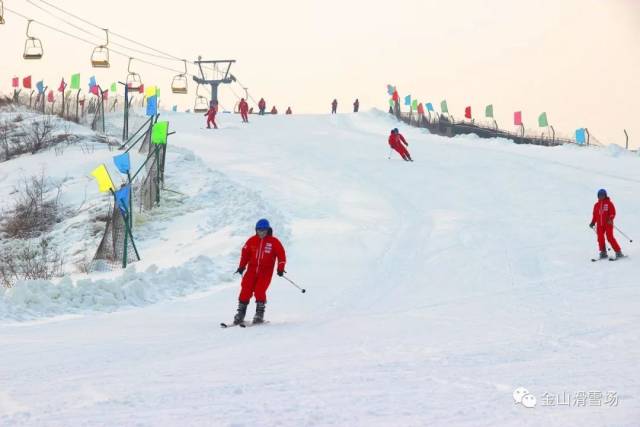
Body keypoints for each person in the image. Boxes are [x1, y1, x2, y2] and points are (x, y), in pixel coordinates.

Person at [233, 219, 287, 324]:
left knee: (259, 290)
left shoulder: (274, 242)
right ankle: (240, 313)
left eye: (264, 230)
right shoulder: (251, 240)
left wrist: (280, 268)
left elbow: (281, 255)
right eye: (259, 230)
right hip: (251, 270)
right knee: (245, 289)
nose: (261, 232)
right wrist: (241, 267)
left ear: (268, 230)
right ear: (256, 230)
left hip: (265, 272)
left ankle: (259, 314)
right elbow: (245, 255)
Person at [590, 189, 623, 259]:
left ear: (605, 195)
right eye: (600, 195)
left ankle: (618, 252)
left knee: (609, 237)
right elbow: (595, 215)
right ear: (598, 196)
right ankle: (603, 252)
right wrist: (593, 222)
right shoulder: (596, 205)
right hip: (599, 225)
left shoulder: (609, 203)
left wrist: (611, 219)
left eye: (603, 195)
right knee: (600, 238)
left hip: (608, 223)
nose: (601, 196)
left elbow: (613, 213)